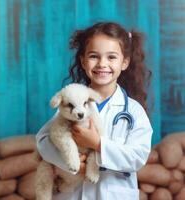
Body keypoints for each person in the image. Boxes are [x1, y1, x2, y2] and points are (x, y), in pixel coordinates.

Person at [36, 22, 153, 200]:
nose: (102, 64)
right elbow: (43, 141)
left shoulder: (134, 112)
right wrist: (73, 165)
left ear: (125, 62)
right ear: (83, 61)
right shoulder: (71, 103)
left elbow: (137, 157)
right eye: (94, 56)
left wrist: (97, 144)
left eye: (111, 57)